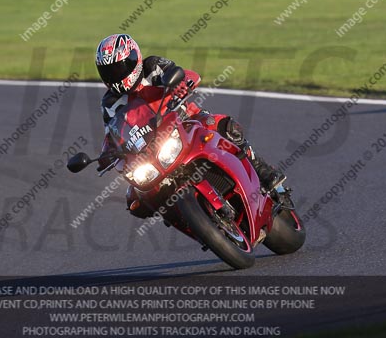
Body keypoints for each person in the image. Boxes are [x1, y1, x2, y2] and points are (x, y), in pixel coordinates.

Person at [95, 33, 285, 218]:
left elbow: (184, 74)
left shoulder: (152, 67)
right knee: (136, 200)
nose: (115, 75)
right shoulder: (110, 103)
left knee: (226, 127)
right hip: (152, 150)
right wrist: (107, 154)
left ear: (134, 59)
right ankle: (186, 218)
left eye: (119, 68)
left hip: (188, 122)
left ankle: (262, 171)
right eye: (109, 71)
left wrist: (183, 84)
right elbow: (112, 134)